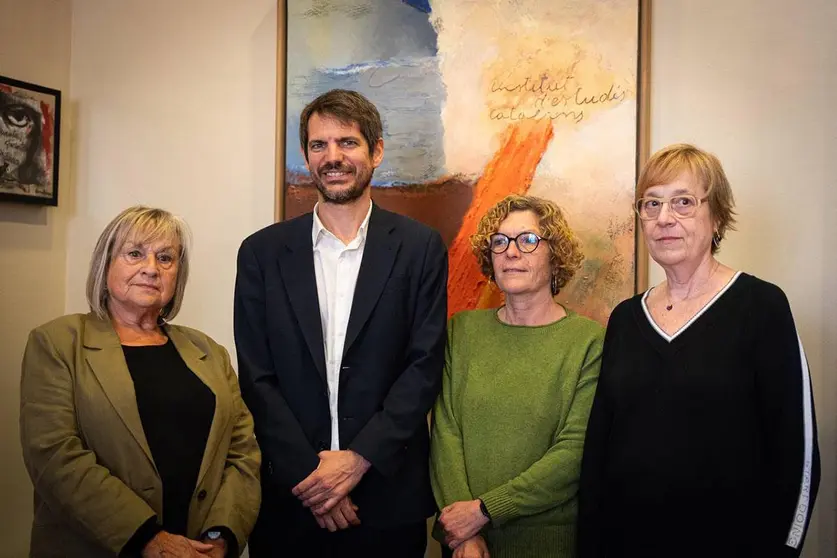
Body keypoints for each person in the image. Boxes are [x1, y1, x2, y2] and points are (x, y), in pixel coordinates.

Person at [577, 144, 821, 557]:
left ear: (718, 217)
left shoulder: (761, 307)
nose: (664, 218)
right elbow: (599, 449)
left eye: (683, 202)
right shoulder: (624, 319)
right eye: (651, 204)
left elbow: (798, 454)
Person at [234, 88, 448, 557]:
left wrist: (357, 460)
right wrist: (310, 478)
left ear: (376, 150)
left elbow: (424, 364)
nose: (333, 157)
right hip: (290, 499)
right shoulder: (261, 254)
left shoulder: (420, 248)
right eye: (318, 145)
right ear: (307, 157)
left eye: (347, 143)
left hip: (386, 499)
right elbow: (256, 375)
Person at [19, 206, 261, 558]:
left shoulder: (209, 351)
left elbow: (243, 453)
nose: (151, 268)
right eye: (134, 253)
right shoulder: (57, 342)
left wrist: (221, 535)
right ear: (106, 266)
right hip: (100, 546)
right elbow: (54, 456)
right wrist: (147, 538)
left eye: (166, 258)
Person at [430, 194, 605, 558]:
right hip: (466, 547)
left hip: (547, 544)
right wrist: (463, 533)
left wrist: (484, 511)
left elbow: (574, 453)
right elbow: (445, 433)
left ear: (554, 256)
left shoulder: (589, 341)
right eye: (500, 241)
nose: (511, 252)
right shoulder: (462, 331)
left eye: (528, 240)